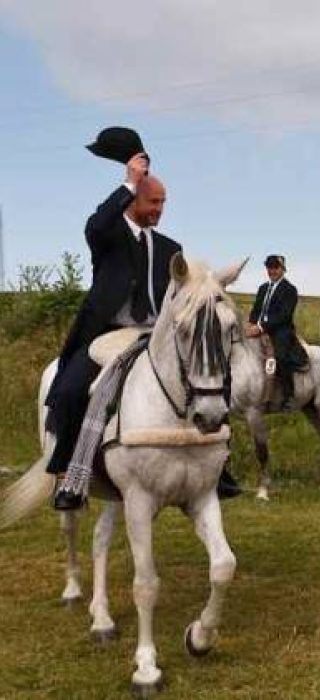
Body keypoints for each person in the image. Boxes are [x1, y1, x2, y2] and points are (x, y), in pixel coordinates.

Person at [47, 135, 239, 509]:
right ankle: (69, 475)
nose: (160, 209)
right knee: (71, 391)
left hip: (155, 335)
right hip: (108, 335)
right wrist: (131, 180)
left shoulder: (171, 249)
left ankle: (219, 468)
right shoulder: (108, 236)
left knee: (213, 381)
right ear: (132, 200)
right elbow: (97, 223)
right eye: (153, 201)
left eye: (164, 202)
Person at [246, 255, 308, 412]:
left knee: (280, 356)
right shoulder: (263, 288)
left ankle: (288, 396)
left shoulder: (289, 290)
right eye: (269, 267)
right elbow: (256, 310)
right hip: (260, 328)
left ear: (282, 269)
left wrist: (262, 328)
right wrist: (251, 324)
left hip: (281, 330)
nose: (271, 270)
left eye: (275, 267)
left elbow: (284, 315)